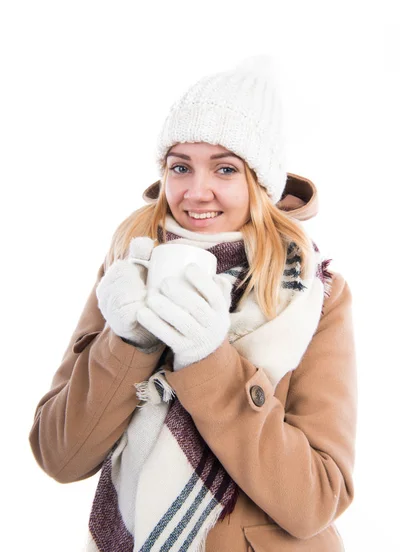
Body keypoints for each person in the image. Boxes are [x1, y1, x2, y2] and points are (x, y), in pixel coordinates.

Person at [29, 56, 357, 552]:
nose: (195, 191)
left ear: (261, 183)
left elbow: (315, 500)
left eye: (225, 168)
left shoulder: (314, 294)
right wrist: (128, 342)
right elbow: (60, 456)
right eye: (180, 166)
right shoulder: (127, 268)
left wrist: (210, 363)